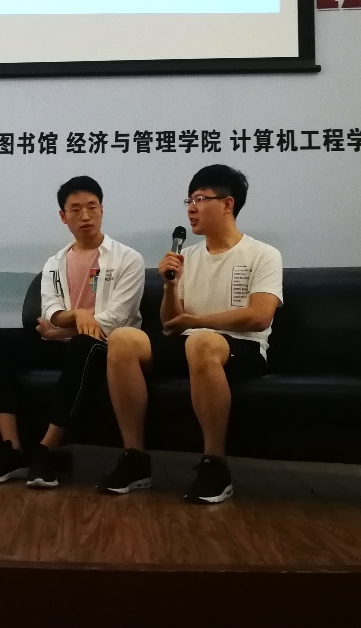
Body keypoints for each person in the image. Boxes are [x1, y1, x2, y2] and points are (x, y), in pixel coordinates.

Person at [98, 164, 282, 504]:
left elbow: (259, 316)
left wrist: (195, 321)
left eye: (200, 199)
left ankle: (215, 465)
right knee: (122, 339)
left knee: (201, 341)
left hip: (242, 348)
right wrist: (170, 286)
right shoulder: (187, 256)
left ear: (227, 204)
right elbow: (170, 323)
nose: (191, 208)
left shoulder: (263, 254)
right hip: (189, 343)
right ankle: (135, 458)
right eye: (189, 200)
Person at [0, 176, 144, 489]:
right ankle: (12, 448)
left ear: (102, 210)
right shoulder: (55, 262)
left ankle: (46, 449)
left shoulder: (128, 259)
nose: (85, 215)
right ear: (63, 217)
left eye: (92, 207)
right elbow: (51, 310)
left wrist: (61, 328)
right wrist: (75, 316)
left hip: (108, 347)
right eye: (75, 209)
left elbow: (116, 319)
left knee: (83, 343)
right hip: (64, 342)